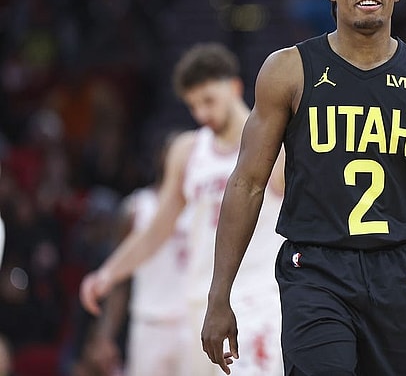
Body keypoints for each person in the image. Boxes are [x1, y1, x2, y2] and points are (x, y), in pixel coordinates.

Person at [200, 0, 406, 375]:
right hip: (315, 267)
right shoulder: (288, 69)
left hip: (398, 270)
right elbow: (247, 182)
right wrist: (219, 295)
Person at [79, 42, 286, 376]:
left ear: (233, 87)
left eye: (208, 101)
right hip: (199, 303)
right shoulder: (188, 150)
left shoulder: (273, 145)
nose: (202, 114)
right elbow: (157, 230)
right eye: (193, 106)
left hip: (257, 299)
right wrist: (109, 273)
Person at [84, 134, 190, 376]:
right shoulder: (137, 207)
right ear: (162, 158)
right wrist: (105, 335)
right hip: (149, 322)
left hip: (193, 322)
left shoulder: (205, 204)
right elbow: (120, 282)